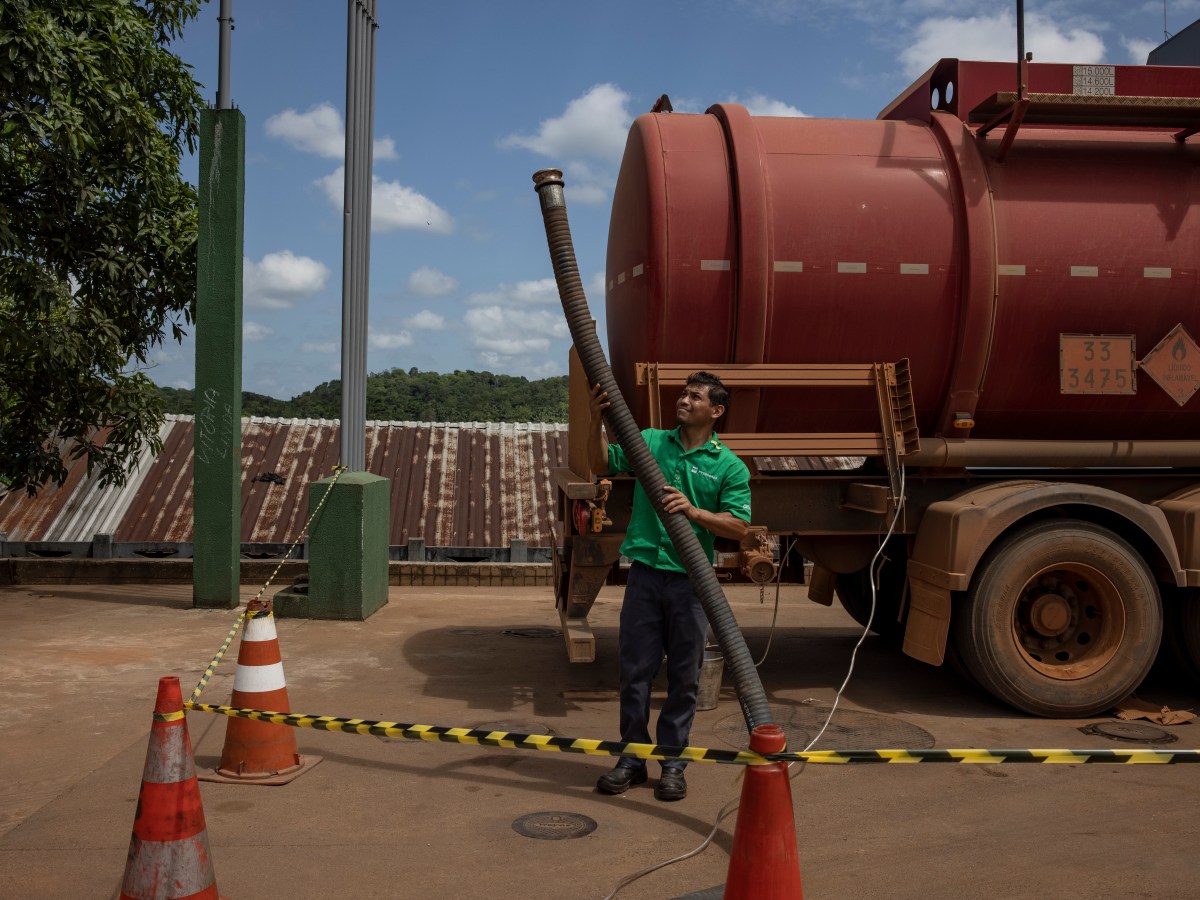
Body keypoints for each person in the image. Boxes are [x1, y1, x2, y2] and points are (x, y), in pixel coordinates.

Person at [588, 372, 751, 801]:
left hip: (692, 583)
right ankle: (631, 760)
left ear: (716, 411)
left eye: (694, 396)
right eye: (683, 393)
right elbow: (604, 461)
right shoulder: (651, 441)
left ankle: (674, 765)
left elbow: (739, 526)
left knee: (684, 678)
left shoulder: (729, 465)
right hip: (644, 575)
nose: (683, 399)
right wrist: (593, 420)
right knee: (635, 673)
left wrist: (694, 512)